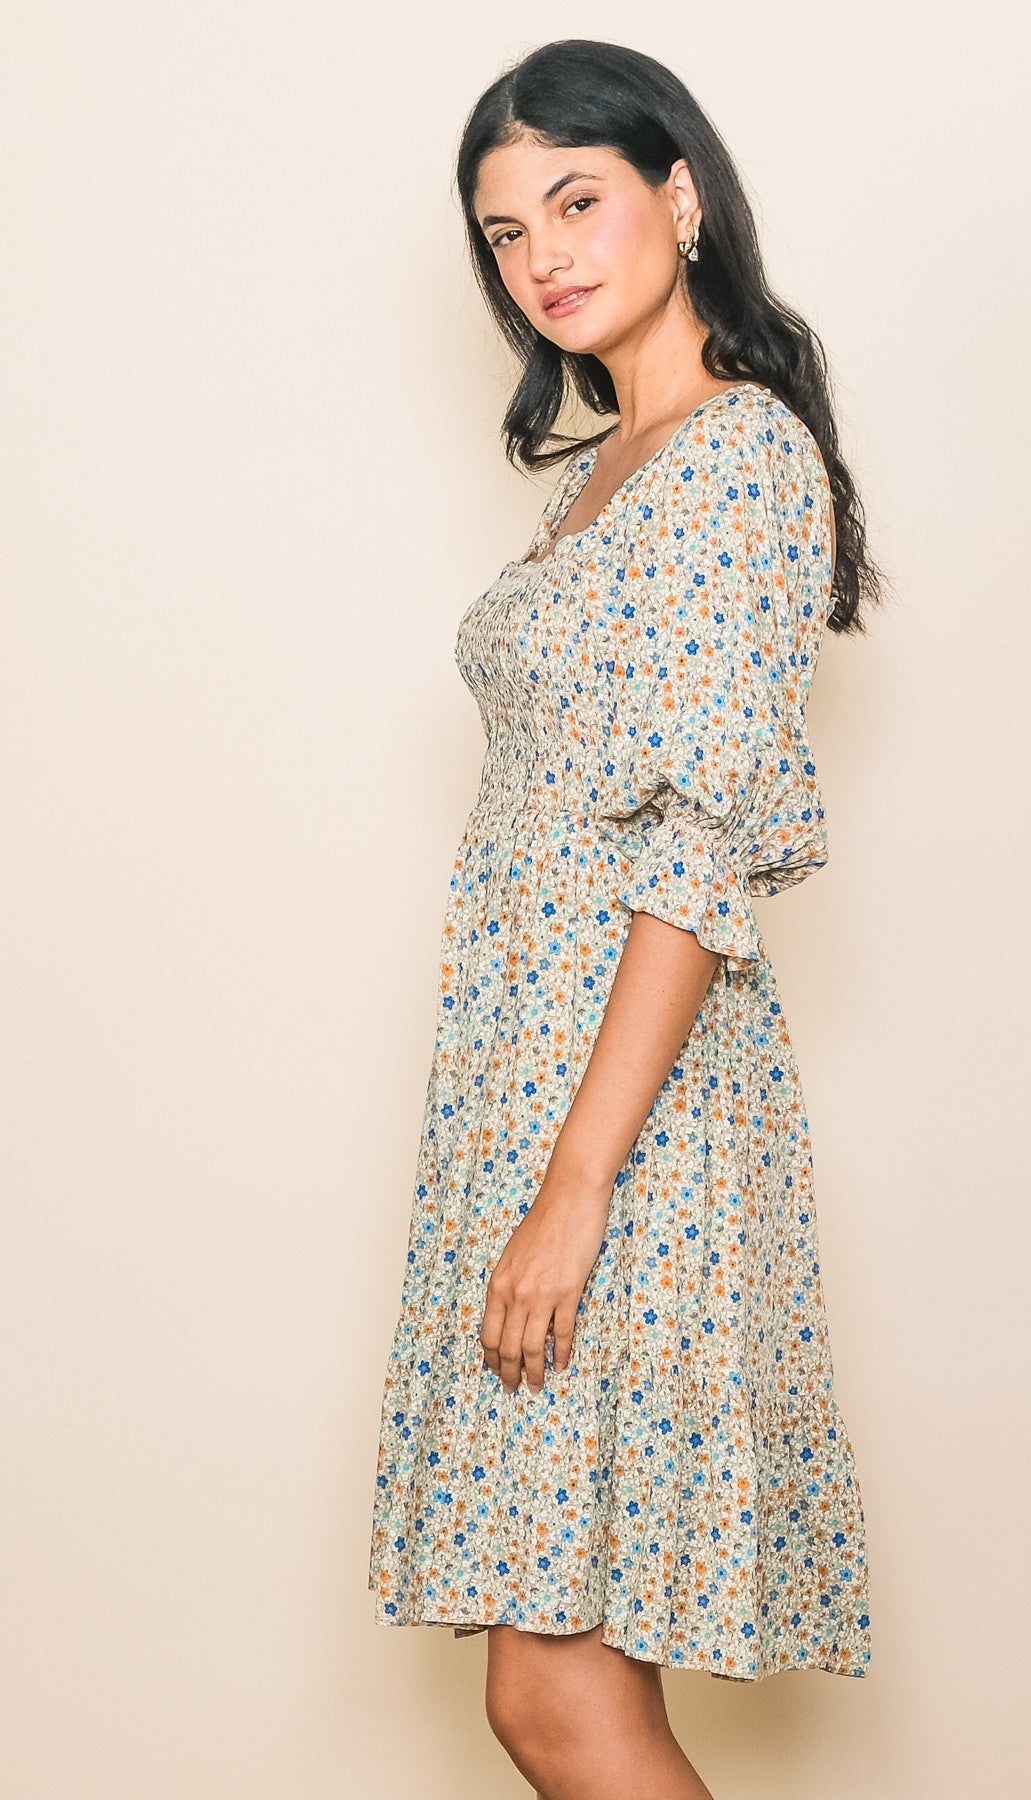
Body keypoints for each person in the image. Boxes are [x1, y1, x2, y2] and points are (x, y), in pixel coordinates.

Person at [368, 37, 887, 1800]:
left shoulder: (737, 459)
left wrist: (577, 1185)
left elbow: (697, 850)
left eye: (576, 201)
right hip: (533, 1091)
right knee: (546, 1681)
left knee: (558, 1697)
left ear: (681, 194)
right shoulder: (604, 469)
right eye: (505, 233)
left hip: (627, 1117)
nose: (543, 259)